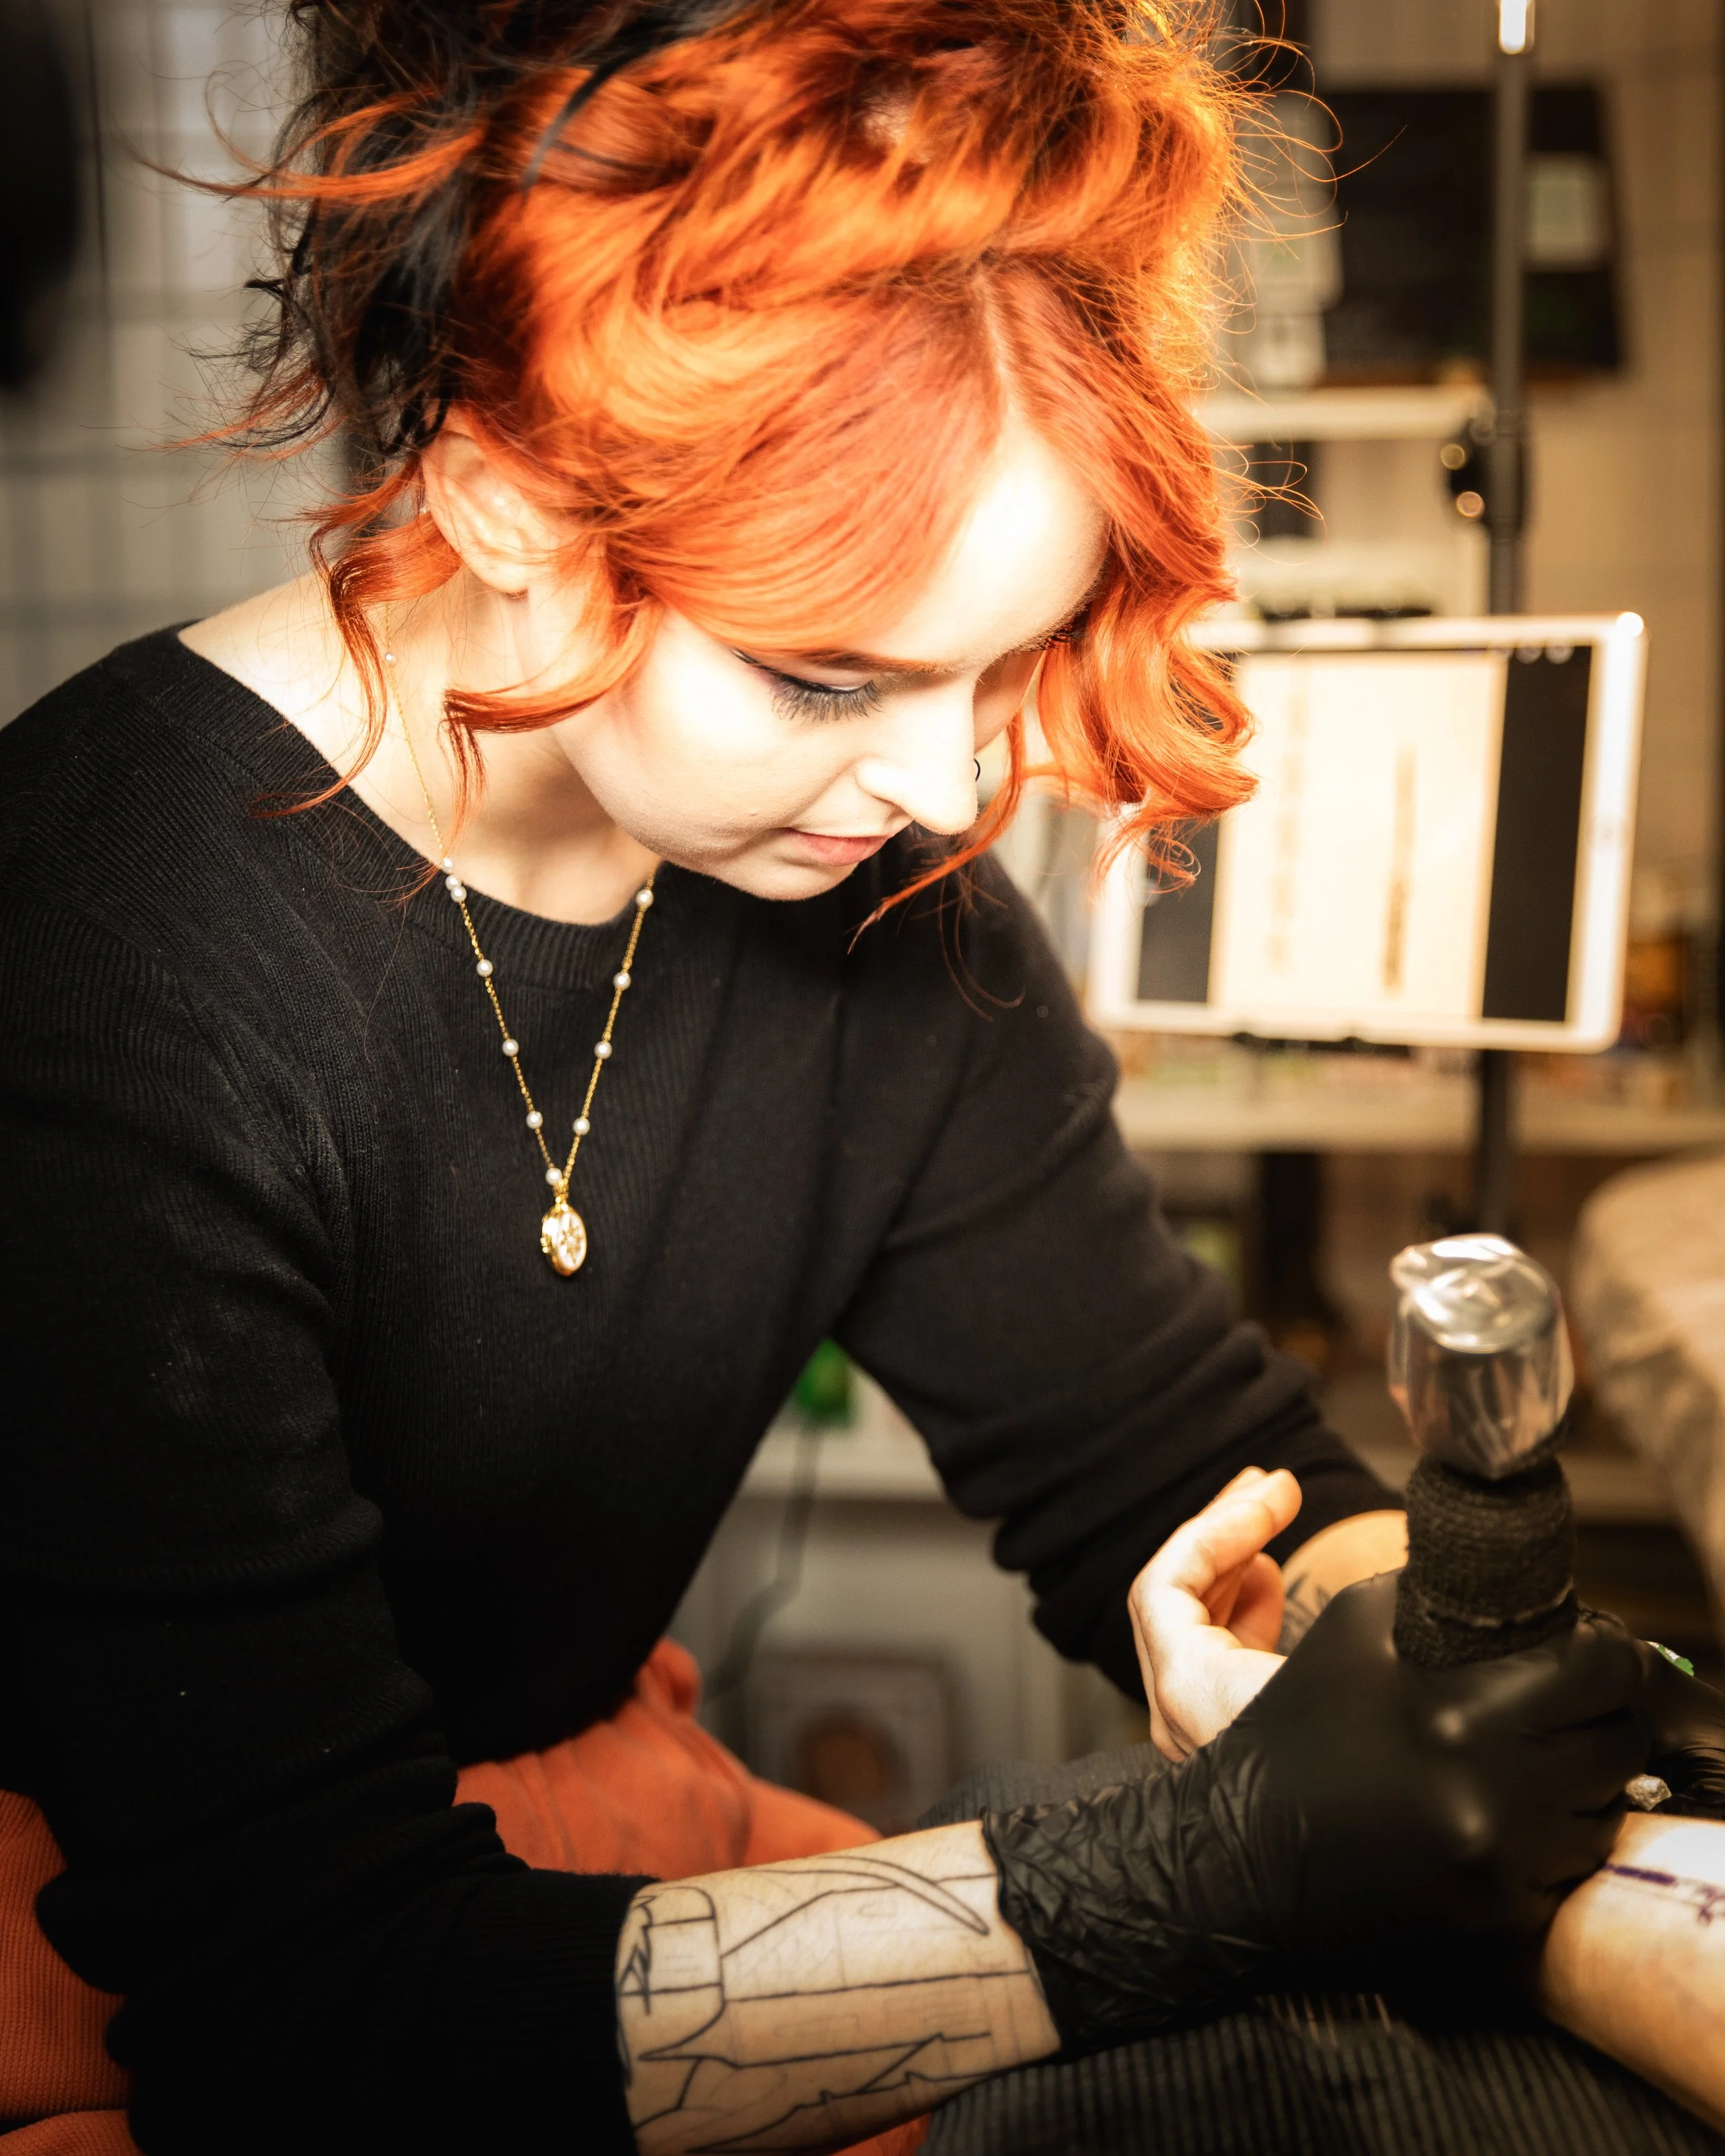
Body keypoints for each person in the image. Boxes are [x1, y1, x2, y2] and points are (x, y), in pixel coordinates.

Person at [0, 2, 1702, 2151]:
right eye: (826, 672)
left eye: (1002, 662)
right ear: (499, 502)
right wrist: (1200, 1870)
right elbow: (310, 2010)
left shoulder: (879, 918)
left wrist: (1422, 1664)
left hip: (574, 1860)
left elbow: (1175, 1456)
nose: (938, 781)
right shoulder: (101, 973)